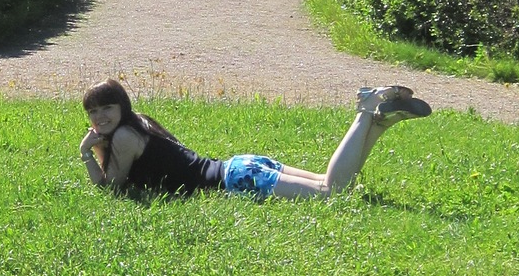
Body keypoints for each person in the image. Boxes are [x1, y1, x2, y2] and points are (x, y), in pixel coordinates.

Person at [78, 77, 429, 200]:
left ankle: (365, 110)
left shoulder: (124, 137)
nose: (100, 117)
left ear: (122, 106)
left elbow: (111, 188)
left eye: (107, 108)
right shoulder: (138, 124)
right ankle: (379, 124)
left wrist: (86, 153)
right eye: (93, 112)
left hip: (237, 180)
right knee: (334, 185)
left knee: (330, 191)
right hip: (239, 166)